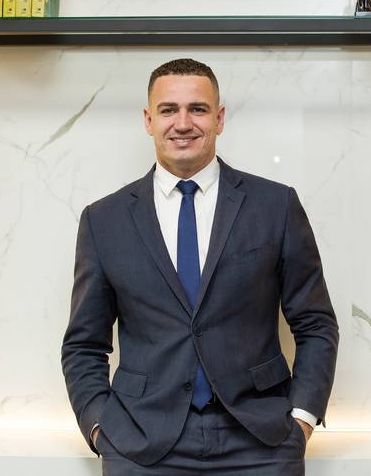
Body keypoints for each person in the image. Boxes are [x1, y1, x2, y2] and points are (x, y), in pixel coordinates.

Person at [61, 58, 339, 475]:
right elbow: (84, 344)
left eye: (198, 109)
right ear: (148, 120)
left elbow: (316, 323)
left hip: (262, 442)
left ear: (219, 118)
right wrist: (101, 427)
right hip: (141, 443)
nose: (183, 123)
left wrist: (301, 419)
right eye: (168, 110)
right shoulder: (104, 220)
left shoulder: (275, 205)